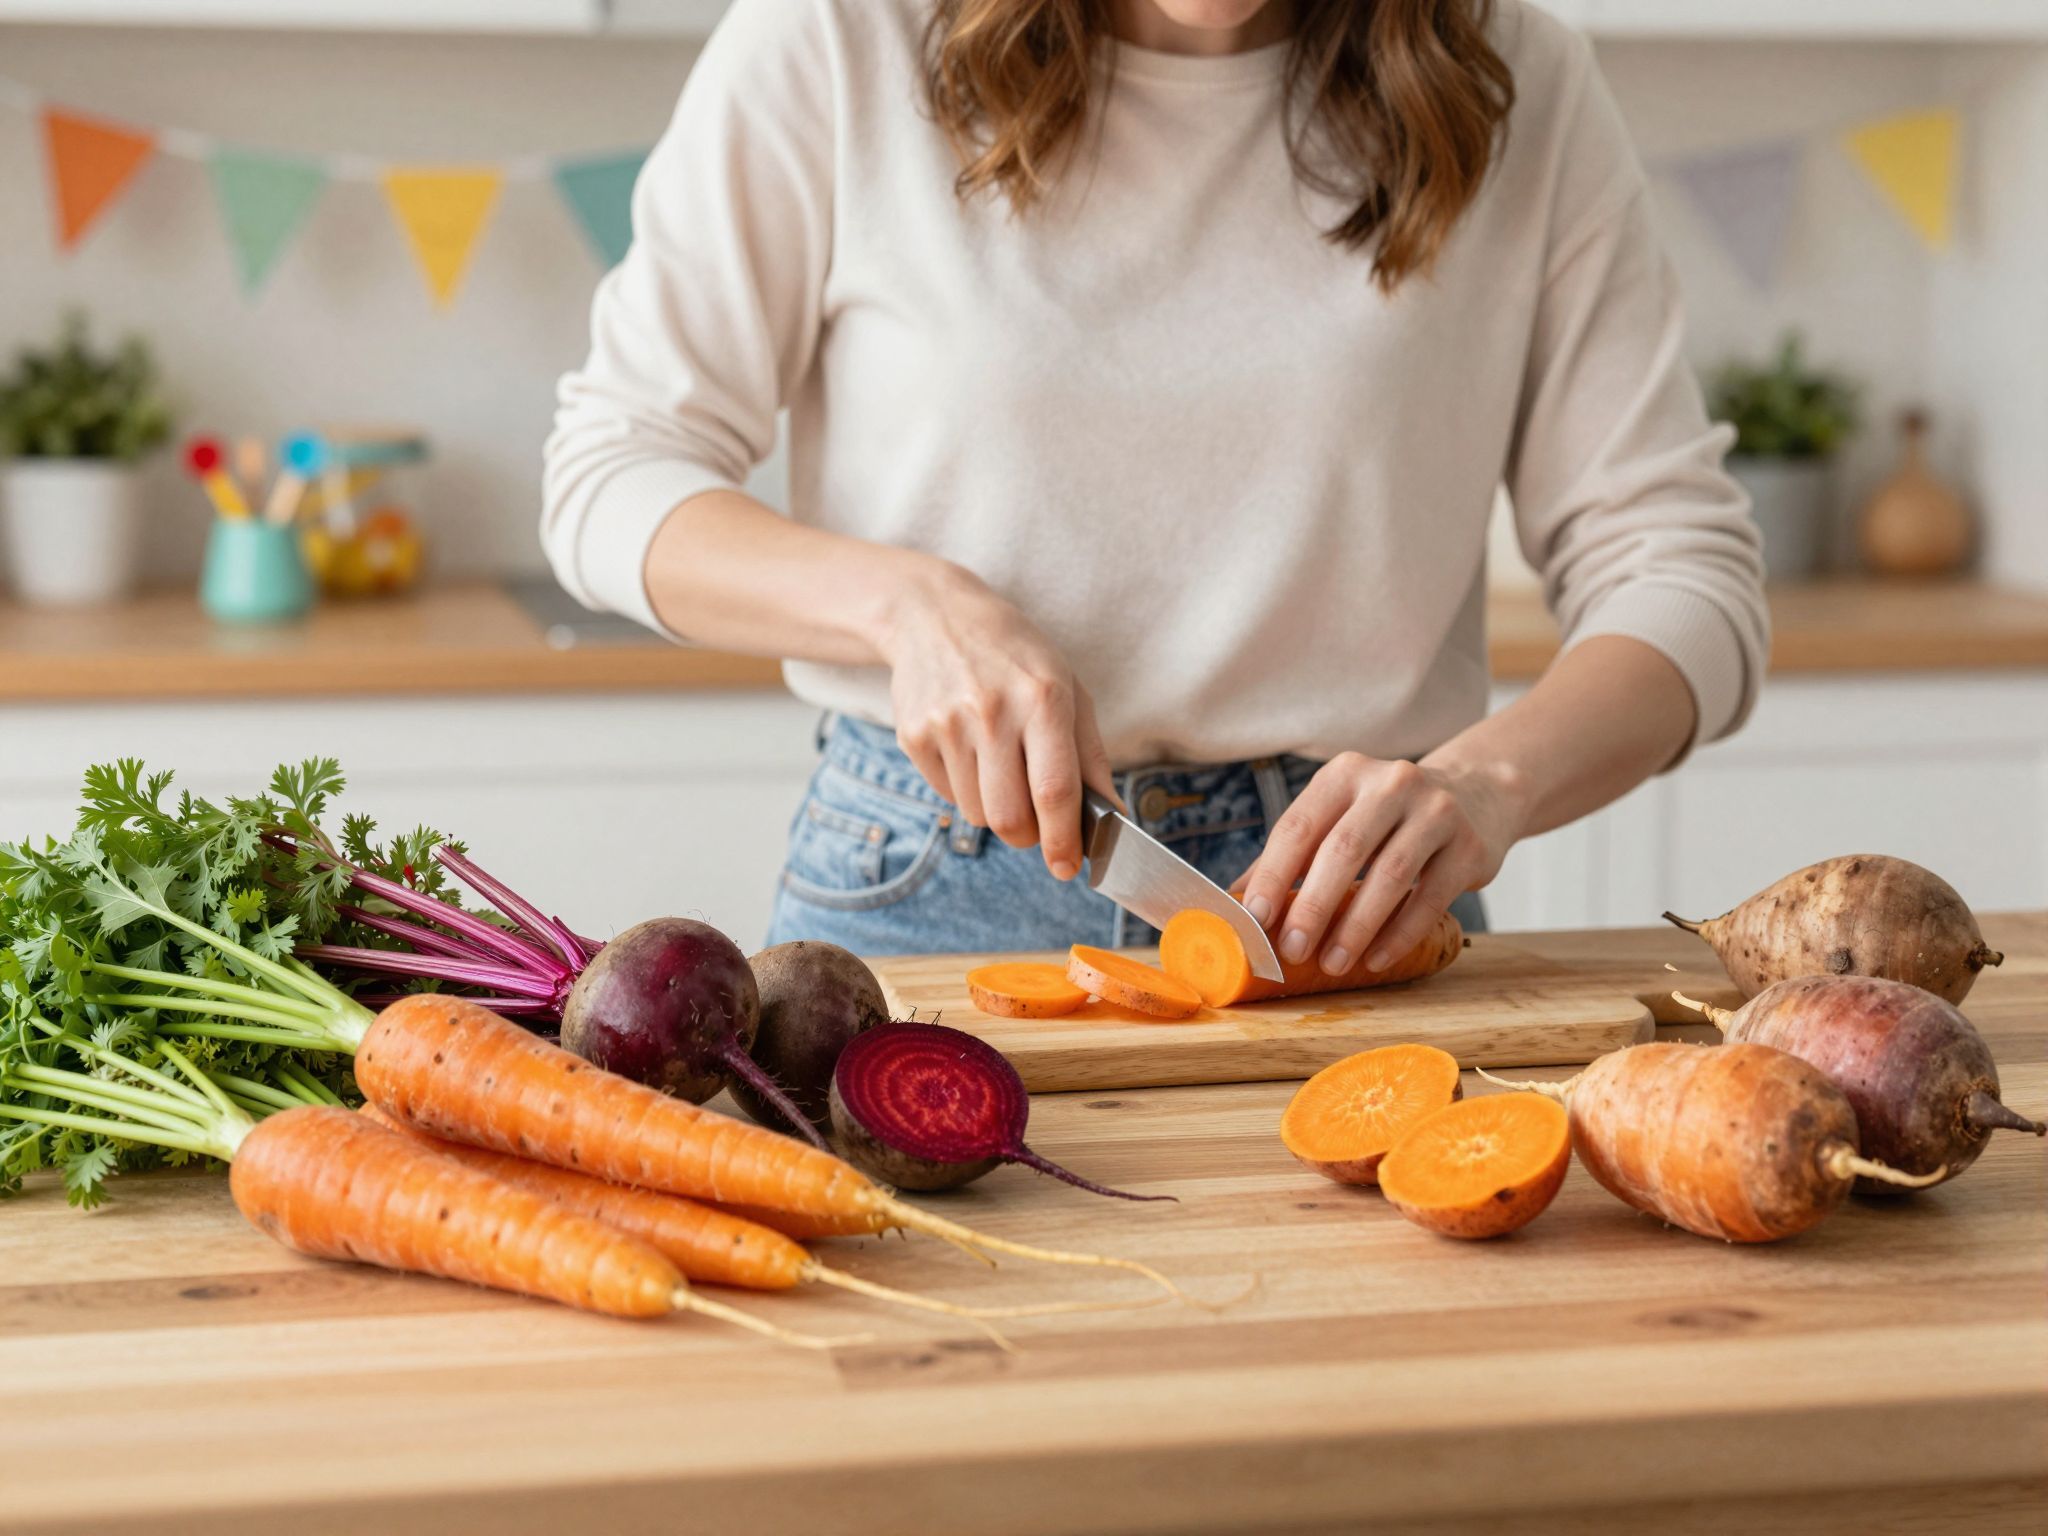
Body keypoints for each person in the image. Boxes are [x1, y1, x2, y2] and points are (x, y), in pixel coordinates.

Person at [542, 0, 1767, 975]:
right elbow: (611, 472)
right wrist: (903, 609)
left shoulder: (1518, 80)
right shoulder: (834, 38)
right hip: (926, 881)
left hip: (1355, 908)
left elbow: (1681, 570)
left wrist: (1489, 786)